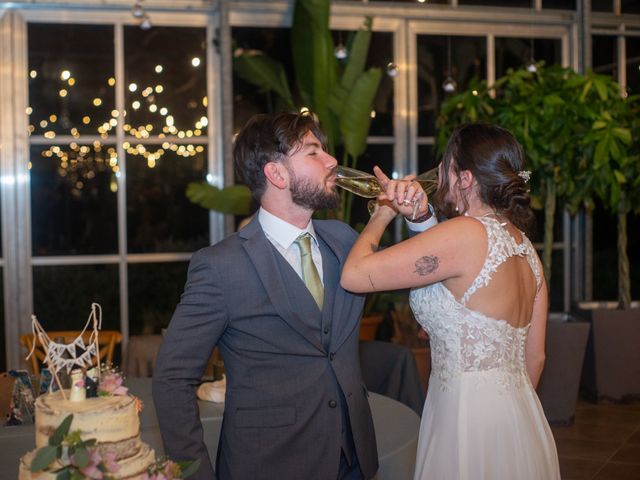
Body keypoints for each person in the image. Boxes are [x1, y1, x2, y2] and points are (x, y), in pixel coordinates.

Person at [152, 111, 381, 480]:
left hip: (354, 462)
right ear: (276, 174)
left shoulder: (344, 240)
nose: (331, 160)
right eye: (312, 152)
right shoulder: (220, 267)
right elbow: (172, 378)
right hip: (268, 465)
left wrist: (413, 214)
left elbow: (418, 279)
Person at [341, 123, 561, 479]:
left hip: (464, 417)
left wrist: (383, 211)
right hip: (519, 418)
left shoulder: (463, 234)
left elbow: (354, 274)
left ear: (465, 178)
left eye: (445, 165)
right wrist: (420, 216)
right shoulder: (525, 249)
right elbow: (535, 357)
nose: (439, 173)